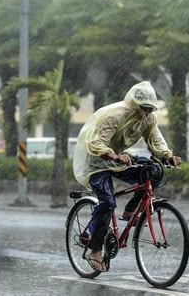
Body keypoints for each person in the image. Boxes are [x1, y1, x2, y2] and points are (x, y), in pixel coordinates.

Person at [73, 81, 181, 272]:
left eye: (149, 109)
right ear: (133, 104)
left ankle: (131, 211)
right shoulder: (114, 116)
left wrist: (167, 156)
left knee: (154, 171)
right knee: (108, 202)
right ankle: (95, 250)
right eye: (143, 108)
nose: (146, 113)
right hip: (96, 162)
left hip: (119, 160)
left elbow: (155, 139)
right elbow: (97, 143)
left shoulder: (148, 118)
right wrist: (113, 155)